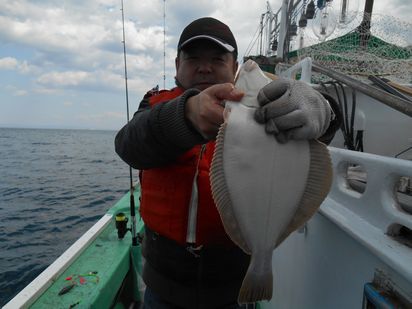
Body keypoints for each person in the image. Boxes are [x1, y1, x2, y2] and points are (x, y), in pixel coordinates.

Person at [115, 17, 341, 309]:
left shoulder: (268, 105)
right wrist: (184, 117)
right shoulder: (157, 106)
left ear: (234, 67)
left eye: (217, 58)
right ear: (176, 66)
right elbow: (128, 145)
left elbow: (315, 133)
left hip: (231, 291)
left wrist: (326, 112)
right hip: (162, 288)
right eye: (193, 58)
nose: (204, 67)